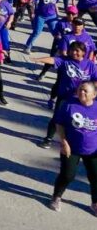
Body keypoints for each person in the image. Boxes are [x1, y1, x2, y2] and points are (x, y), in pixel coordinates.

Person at [48, 81, 97, 213]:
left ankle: (95, 203)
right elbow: (59, 124)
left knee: (95, 176)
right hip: (71, 147)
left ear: (94, 94)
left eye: (86, 91)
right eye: (80, 89)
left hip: (93, 150)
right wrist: (63, 142)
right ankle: (56, 197)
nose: (82, 92)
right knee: (67, 175)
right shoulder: (69, 105)